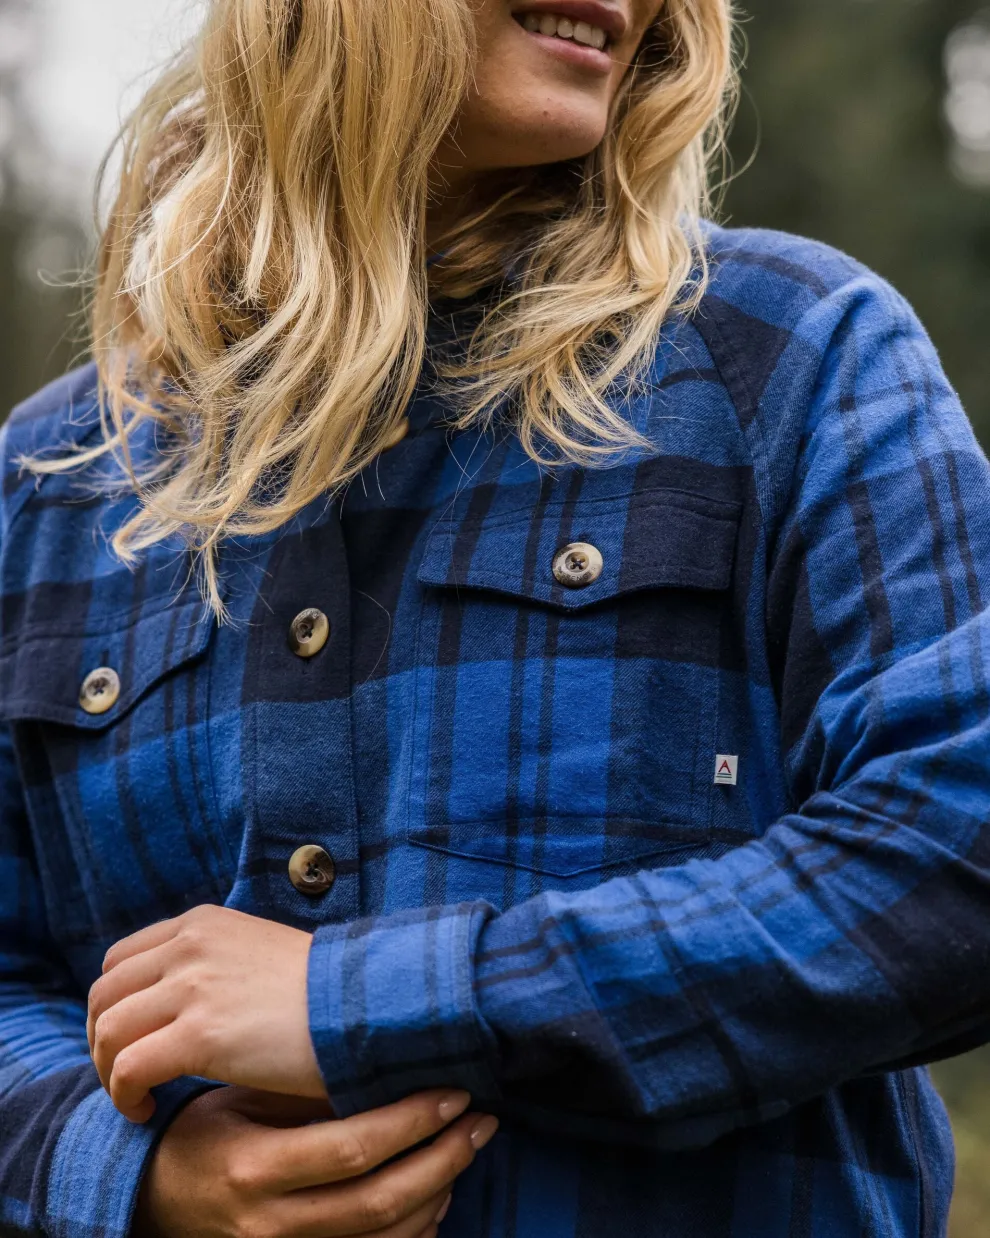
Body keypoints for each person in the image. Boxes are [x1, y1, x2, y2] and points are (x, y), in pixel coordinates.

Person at [1, 0, 988, 1235]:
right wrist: (133, 1177)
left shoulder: (793, 352)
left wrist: (362, 1000)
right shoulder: (49, 482)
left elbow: (958, 845)